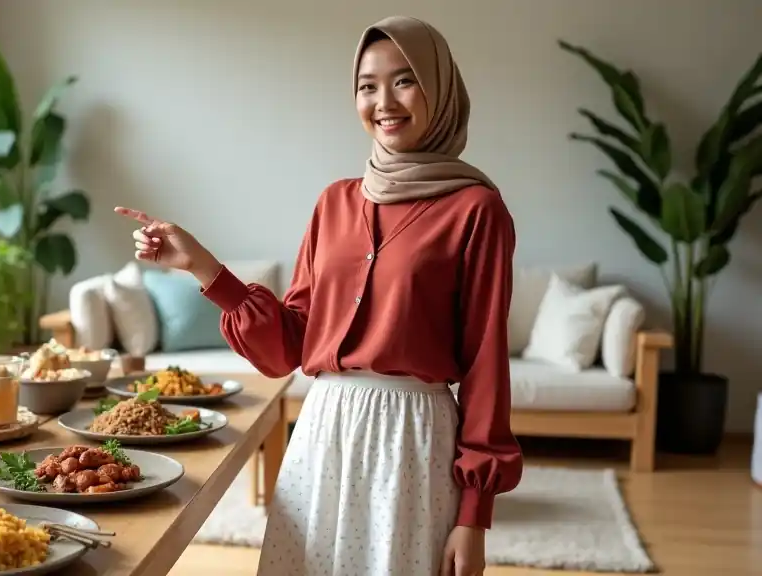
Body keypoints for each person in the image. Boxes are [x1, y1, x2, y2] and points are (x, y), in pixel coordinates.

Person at [115, 15, 523, 576]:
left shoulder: (477, 210)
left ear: (440, 89)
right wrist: (203, 267)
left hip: (413, 440)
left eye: (405, 81)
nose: (384, 102)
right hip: (322, 430)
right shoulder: (334, 202)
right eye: (367, 86)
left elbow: (485, 365)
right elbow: (289, 346)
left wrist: (473, 516)